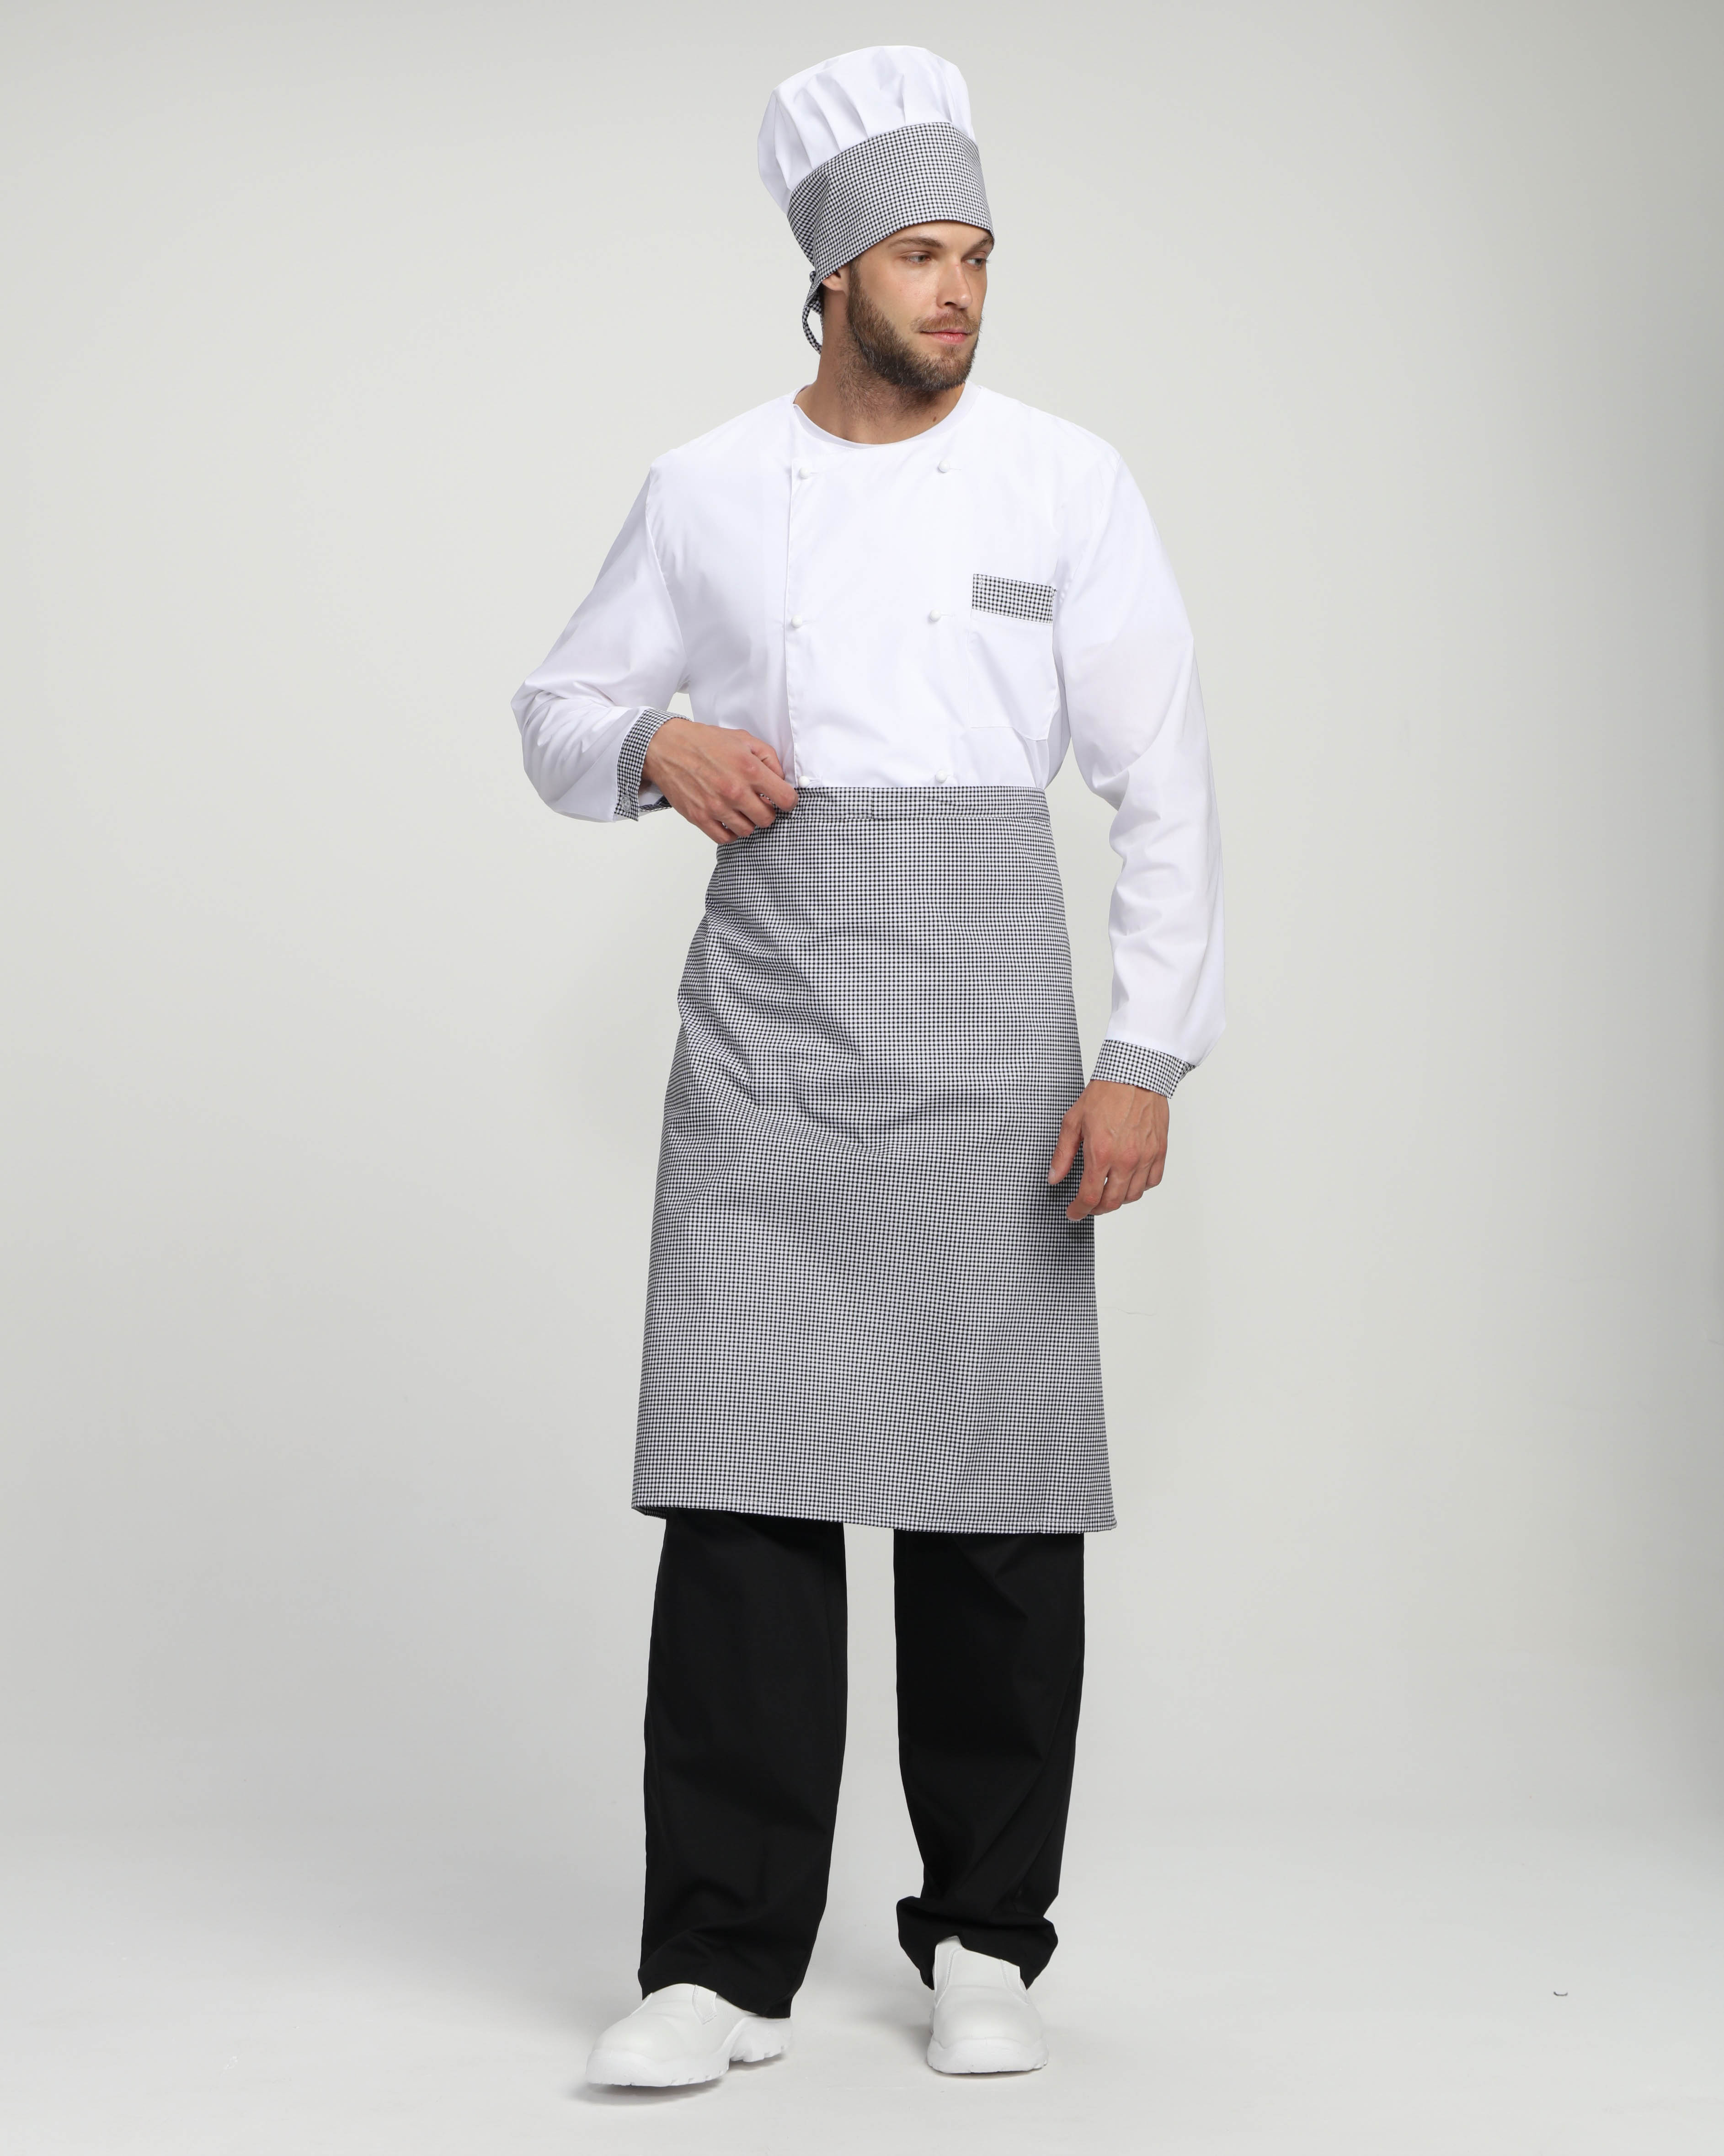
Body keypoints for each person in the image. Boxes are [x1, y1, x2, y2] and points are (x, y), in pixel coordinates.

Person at [511, 44, 1224, 2090]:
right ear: (832, 274)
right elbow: (555, 711)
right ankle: (718, 1965)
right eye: (922, 255)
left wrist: (1145, 1049)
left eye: (979, 254)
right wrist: (653, 745)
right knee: (739, 1499)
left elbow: (1163, 780)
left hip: (995, 1035)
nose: (961, 291)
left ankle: (985, 1940)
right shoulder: (707, 487)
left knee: (994, 1506)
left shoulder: (1066, 480)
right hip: (772, 1041)